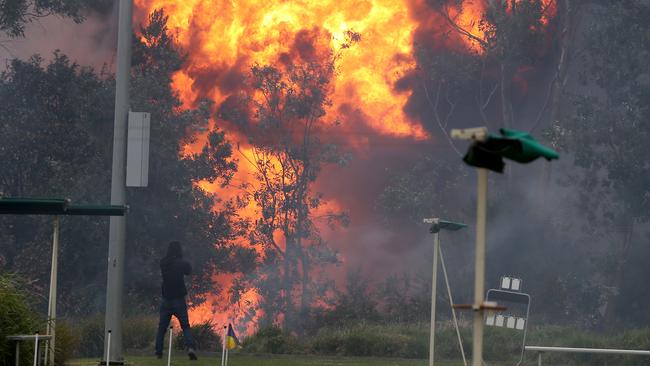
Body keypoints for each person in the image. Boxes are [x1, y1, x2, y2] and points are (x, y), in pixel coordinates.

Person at [155, 241, 198, 360]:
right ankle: (190, 348)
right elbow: (188, 270)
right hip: (178, 299)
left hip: (166, 299)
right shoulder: (181, 263)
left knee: (162, 327)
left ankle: (158, 351)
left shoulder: (163, 263)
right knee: (185, 326)